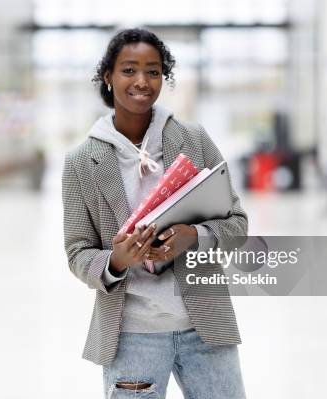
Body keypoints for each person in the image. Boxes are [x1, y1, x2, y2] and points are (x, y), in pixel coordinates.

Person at [62, 28, 248, 399]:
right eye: (129, 70)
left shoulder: (194, 139)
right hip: (132, 334)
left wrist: (194, 237)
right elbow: (77, 252)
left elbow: (238, 224)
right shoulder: (82, 162)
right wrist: (116, 259)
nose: (142, 82)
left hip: (205, 327)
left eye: (153, 71)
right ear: (108, 77)